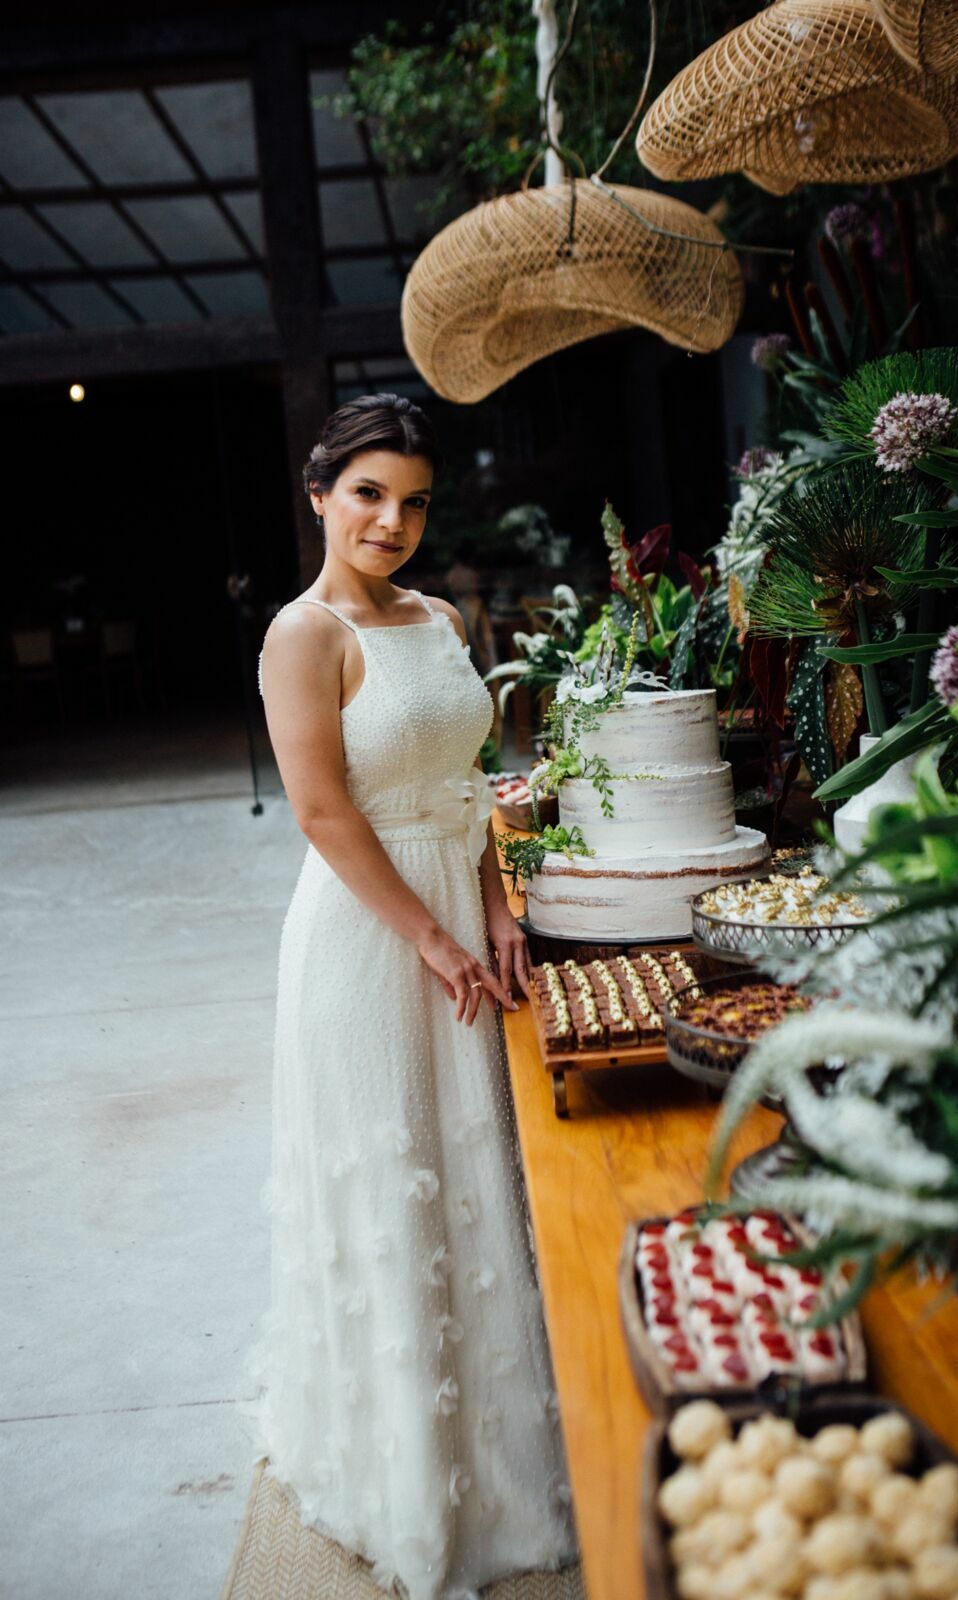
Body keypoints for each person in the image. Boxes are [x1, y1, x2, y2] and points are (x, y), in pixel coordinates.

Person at [240, 394, 577, 1598]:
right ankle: (408, 1467)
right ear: (320, 492)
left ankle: (509, 1442)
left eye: (413, 498)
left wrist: (491, 905)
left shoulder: (437, 616)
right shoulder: (305, 632)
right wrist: (433, 938)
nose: (391, 520)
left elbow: (466, 775)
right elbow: (325, 811)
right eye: (368, 492)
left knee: (479, 1159)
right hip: (366, 935)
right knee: (396, 1173)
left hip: (452, 902)